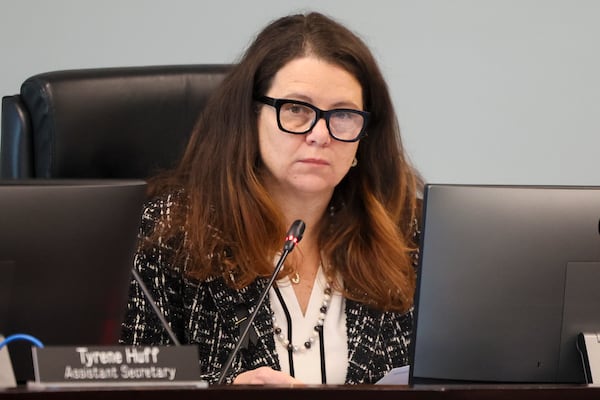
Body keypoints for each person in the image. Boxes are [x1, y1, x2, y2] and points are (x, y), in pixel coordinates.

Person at [120, 11, 424, 385]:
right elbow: (126, 384)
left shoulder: (411, 235)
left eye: (342, 114)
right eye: (296, 109)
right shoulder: (167, 234)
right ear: (250, 118)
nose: (319, 134)